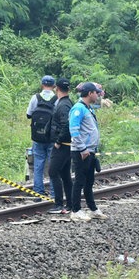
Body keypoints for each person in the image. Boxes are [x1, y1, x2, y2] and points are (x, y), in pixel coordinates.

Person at [69, 82, 107, 222]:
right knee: (79, 180)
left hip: (89, 150)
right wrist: (82, 148)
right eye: (96, 93)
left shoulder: (88, 108)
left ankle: (92, 208)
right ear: (90, 93)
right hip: (82, 151)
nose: (98, 95)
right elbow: (74, 130)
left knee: (89, 181)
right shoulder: (78, 109)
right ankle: (76, 210)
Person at [25, 75, 57, 196]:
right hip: (52, 137)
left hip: (38, 137)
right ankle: (54, 193)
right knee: (53, 166)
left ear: (42, 84)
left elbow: (29, 114)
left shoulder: (35, 97)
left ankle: (38, 192)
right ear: (54, 86)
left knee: (38, 165)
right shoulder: (56, 98)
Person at [47, 77, 74, 214]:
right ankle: (70, 203)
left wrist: (58, 141)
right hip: (68, 144)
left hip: (62, 145)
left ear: (57, 88)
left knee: (53, 172)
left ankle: (59, 204)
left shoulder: (63, 105)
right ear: (68, 89)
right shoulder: (67, 102)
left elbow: (66, 124)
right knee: (65, 174)